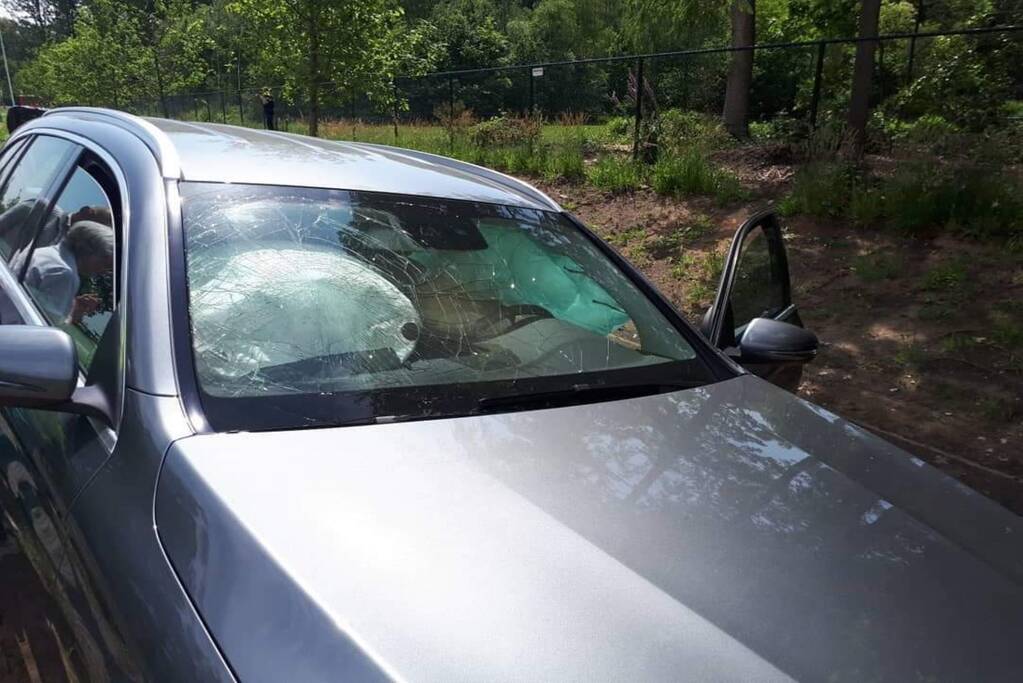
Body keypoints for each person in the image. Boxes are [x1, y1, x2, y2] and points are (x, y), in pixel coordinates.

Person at [21, 220, 114, 324]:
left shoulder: (45, 252)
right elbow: (46, 326)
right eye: (105, 262)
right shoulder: (66, 274)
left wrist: (74, 306)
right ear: (88, 250)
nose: (102, 271)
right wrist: (73, 315)